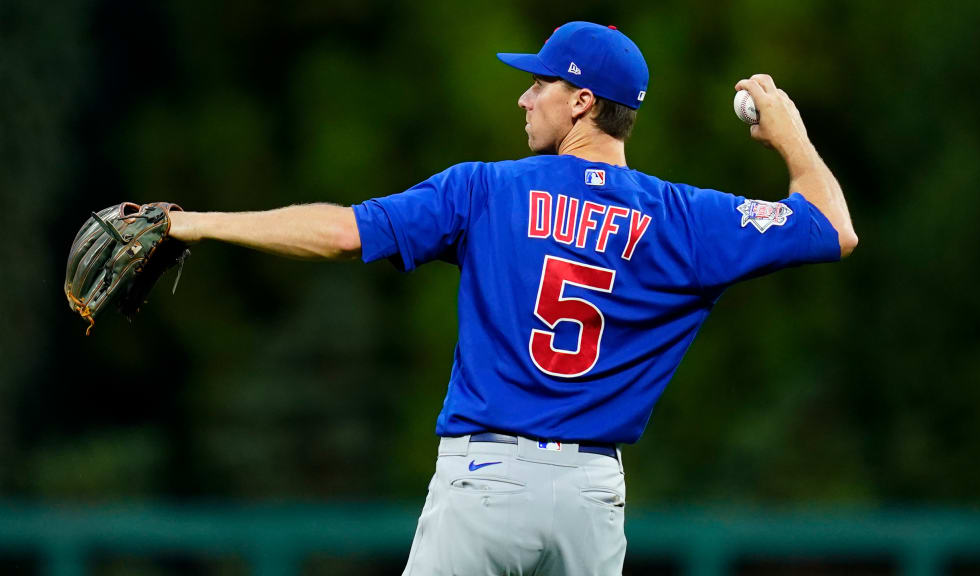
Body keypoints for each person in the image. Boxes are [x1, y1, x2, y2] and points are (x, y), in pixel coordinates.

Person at [168, 21, 856, 576]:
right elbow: (833, 227)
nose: (525, 98)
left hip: (486, 478)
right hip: (591, 498)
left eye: (540, 84)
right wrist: (790, 136)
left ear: (582, 101)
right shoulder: (684, 219)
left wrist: (193, 223)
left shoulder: (486, 189)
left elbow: (343, 232)